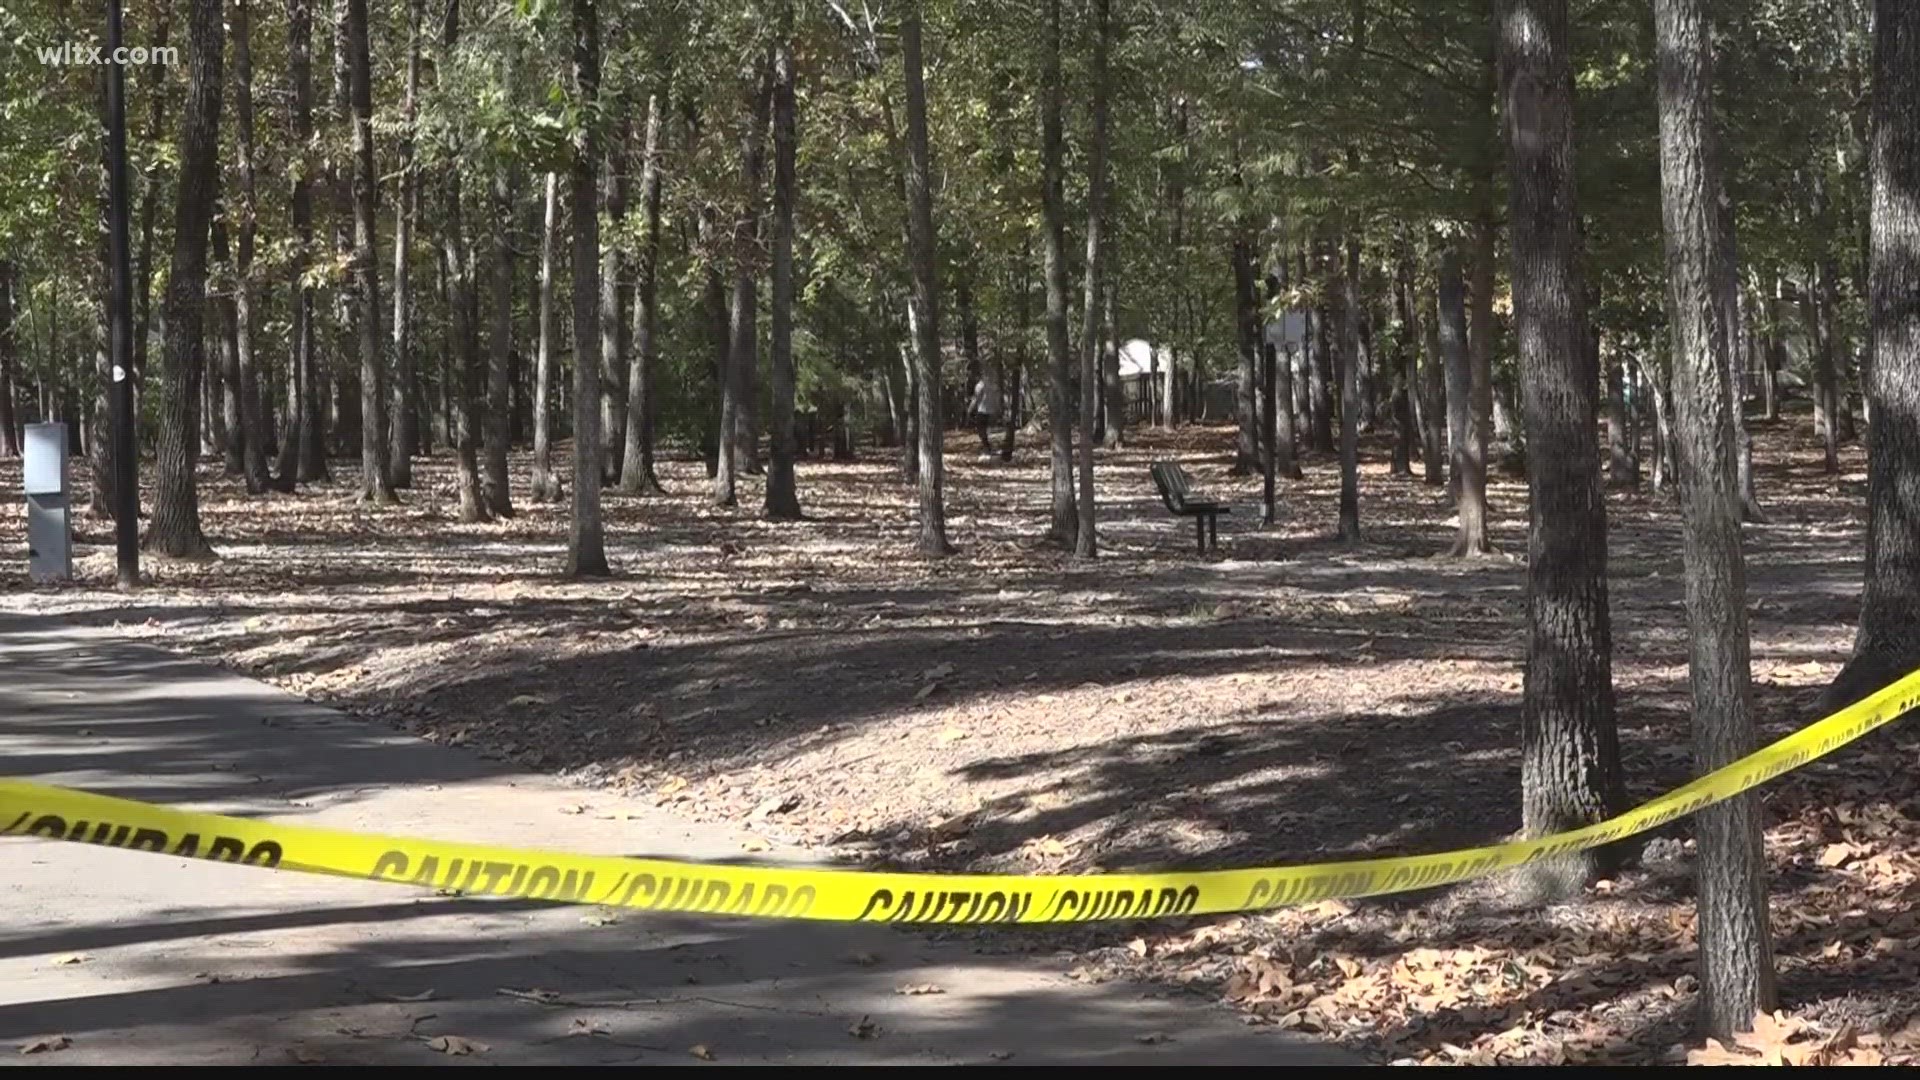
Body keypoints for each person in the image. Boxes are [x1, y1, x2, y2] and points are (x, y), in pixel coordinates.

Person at [968, 368, 1002, 457]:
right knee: (991, 430)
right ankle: (991, 448)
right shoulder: (995, 386)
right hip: (993, 411)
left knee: (982, 431)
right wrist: (998, 409)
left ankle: (987, 448)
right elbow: (998, 399)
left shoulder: (980, 385)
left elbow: (975, 399)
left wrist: (970, 409)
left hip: (983, 411)